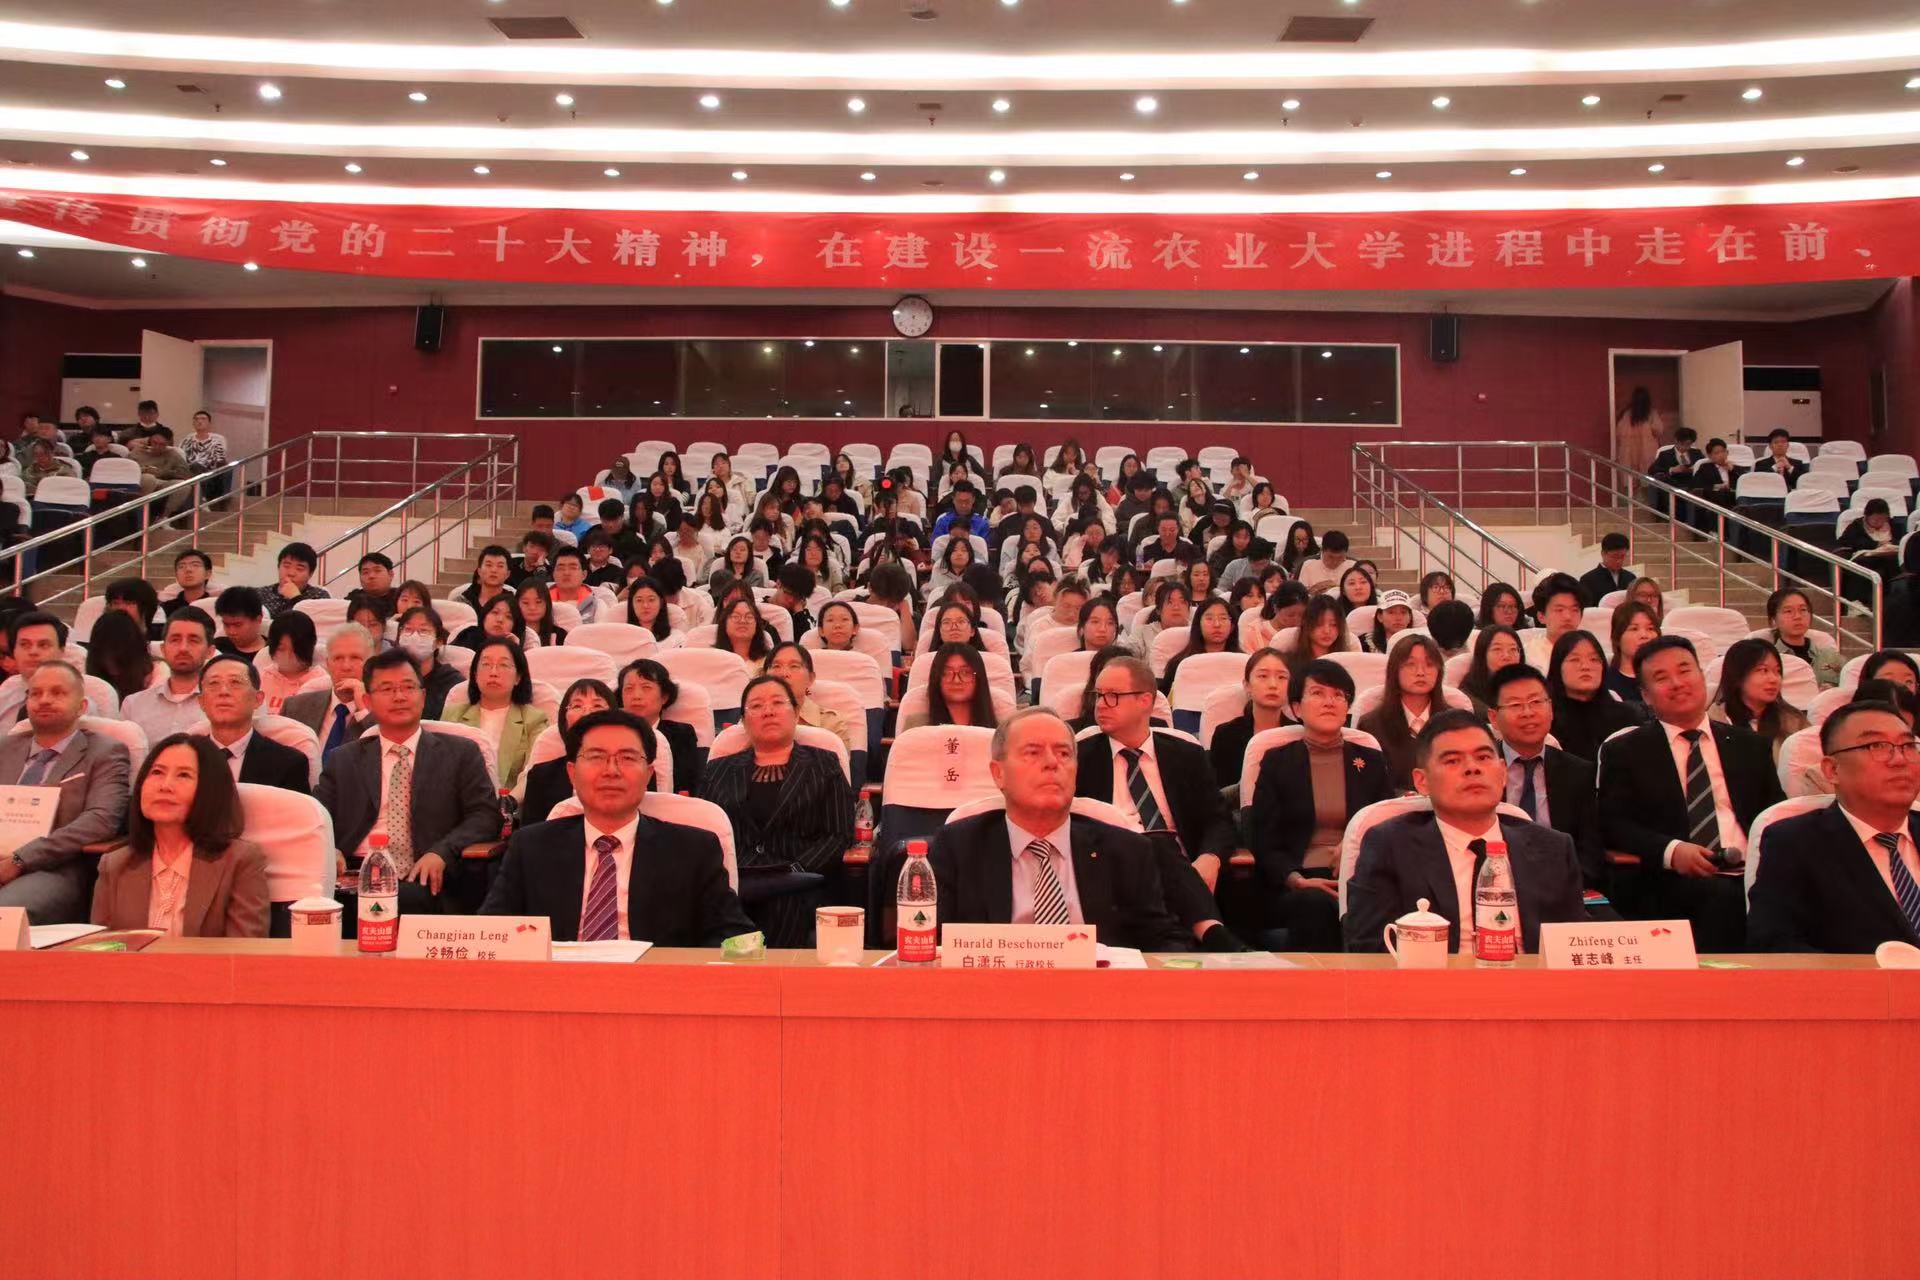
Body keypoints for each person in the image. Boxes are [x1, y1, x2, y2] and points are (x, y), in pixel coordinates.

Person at [925, 707, 1192, 952]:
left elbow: (1163, 942)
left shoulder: (1127, 851)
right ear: (998, 773)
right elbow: (928, 942)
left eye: (1064, 754)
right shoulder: (957, 848)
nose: (1052, 763)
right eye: (1033, 753)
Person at [481, 709, 755, 944]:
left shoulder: (694, 851)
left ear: (648, 774)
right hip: (558, 983)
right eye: (596, 757)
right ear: (572, 774)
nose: (611, 770)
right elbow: (492, 934)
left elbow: (733, 937)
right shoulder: (531, 848)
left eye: (627, 758)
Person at [1345, 711, 1590, 954]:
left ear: (1503, 772)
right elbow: (1368, 949)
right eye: (1453, 761)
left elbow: (1573, 948)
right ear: (1422, 782)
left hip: (1530, 978)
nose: (1472, 768)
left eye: (1483, 757)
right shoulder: (1389, 847)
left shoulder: (1553, 849)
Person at [1597, 636, 1784, 951]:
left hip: (1753, 873)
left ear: (1701, 675)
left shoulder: (1749, 745)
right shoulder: (1626, 751)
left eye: (1685, 671)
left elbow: (1774, 814)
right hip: (1675, 882)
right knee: (1717, 900)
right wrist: (1672, 851)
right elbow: (1614, 824)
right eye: (1661, 677)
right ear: (1646, 695)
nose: (1677, 683)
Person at [314, 649, 501, 917]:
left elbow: (485, 815)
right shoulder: (343, 759)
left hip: (424, 872)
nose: (399, 697)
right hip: (356, 873)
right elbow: (317, 818)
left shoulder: (460, 753)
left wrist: (443, 852)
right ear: (367, 701)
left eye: (408, 687)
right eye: (387, 689)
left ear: (423, 697)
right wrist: (330, 849)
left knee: (408, 900)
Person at [696, 675, 855, 948]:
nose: (768, 711)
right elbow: (705, 833)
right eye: (756, 706)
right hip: (736, 879)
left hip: (800, 881)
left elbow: (838, 833)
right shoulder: (718, 770)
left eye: (778, 703)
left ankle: (771, 972)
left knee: (784, 907)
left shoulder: (824, 764)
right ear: (744, 720)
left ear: (796, 713)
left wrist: (794, 870)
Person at [1750, 701, 1920, 953]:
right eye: (1877, 746)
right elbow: (1775, 946)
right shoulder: (1794, 843)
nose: (1899, 759)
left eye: (1908, 746)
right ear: (1832, 770)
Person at [1248, 660, 1392, 951]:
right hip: (1300, 880)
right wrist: (1296, 879)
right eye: (1318, 693)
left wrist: (1354, 843)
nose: (1330, 702)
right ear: (1297, 708)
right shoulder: (1277, 761)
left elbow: (1386, 824)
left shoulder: (1371, 760)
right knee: (1314, 904)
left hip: (1360, 873)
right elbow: (1263, 839)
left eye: (1338, 695)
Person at [90, 734, 267, 937]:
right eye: (157, 772)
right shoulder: (114, 864)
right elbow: (101, 948)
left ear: (210, 790)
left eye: (183, 775)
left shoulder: (240, 861)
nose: (165, 786)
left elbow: (244, 950)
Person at [0, 662, 132, 922]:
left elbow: (101, 820)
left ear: (81, 706)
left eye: (57, 693)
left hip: (55, 866)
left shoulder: (105, 752)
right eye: (36, 693)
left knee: (4, 914)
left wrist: (20, 859)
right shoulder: (4, 748)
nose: (44, 700)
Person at [1486, 664, 1607, 897]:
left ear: (1550, 709)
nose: (1528, 713)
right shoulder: (1482, 770)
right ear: (1493, 717)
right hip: (1495, 890)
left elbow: (1590, 853)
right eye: (1515, 705)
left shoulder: (1578, 772)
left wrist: (1563, 887)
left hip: (1563, 890)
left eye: (1536, 702)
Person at [441, 636, 548, 790]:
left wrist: (509, 800)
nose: (493, 672)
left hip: (510, 801)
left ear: (518, 677)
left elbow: (533, 774)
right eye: (486, 664)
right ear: (475, 675)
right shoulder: (452, 716)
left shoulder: (534, 720)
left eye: (503, 665)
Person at [196, 654, 310, 792]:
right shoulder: (184, 759)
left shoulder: (288, 763)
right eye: (214, 683)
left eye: (235, 682)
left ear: (258, 699)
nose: (223, 692)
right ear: (201, 702)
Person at [281, 622, 374, 759]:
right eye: (338, 658)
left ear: (370, 664)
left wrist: (364, 711)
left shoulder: (384, 712)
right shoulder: (295, 708)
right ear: (327, 664)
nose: (346, 666)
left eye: (355, 658)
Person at [1546, 630, 1641, 760]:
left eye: (1594, 659)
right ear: (1557, 667)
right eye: (1575, 659)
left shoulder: (1627, 718)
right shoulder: (1546, 720)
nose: (1586, 666)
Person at [121, 608, 214, 742]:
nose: (183, 648)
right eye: (175, 640)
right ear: (163, 649)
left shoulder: (223, 705)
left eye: (193, 640)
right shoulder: (134, 705)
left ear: (210, 651)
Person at [1709, 637, 1809, 759]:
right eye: (1763, 670)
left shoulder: (1793, 720)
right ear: (1738, 676)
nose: (1774, 679)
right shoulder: (1714, 721)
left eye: (1777, 671)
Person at [1209, 649, 1290, 790]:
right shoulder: (1226, 734)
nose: (1273, 684)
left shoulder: (1299, 734)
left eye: (1281, 677)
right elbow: (1220, 794)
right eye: (1263, 676)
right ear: (1247, 685)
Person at [762, 641, 853, 754]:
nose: (784, 674)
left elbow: (838, 764)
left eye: (794, 666)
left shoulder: (831, 724)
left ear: (810, 678)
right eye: (776, 666)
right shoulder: (752, 716)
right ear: (764, 677)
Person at [1765, 586, 1843, 689]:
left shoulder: (1830, 657)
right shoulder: (1770, 660)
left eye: (1803, 610)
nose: (1798, 616)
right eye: (1788, 611)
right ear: (1773, 620)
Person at [394, 607, 462, 719]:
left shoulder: (452, 683)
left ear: (438, 642)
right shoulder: (386, 674)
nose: (414, 636)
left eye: (423, 630)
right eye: (408, 629)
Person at [919, 642, 997, 729]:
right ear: (936, 678)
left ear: (979, 677)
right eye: (947, 673)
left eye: (965, 672)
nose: (956, 680)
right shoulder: (917, 725)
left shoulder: (1002, 728)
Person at [83, 610, 154, 704]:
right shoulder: (90, 683)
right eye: (104, 654)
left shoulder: (155, 675)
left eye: (117, 654)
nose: (110, 662)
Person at [257, 610, 319, 714]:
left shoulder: (321, 683)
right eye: (281, 649)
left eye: (295, 650)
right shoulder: (260, 679)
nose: (288, 656)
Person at [1521, 573, 1587, 669]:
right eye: (1559, 610)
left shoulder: (1590, 653)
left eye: (1574, 610)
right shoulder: (1527, 657)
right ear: (1541, 616)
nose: (1568, 617)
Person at [1604, 601, 1660, 702]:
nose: (1644, 635)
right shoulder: (1604, 683)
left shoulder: (1667, 680)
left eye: (1650, 628)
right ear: (1617, 638)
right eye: (1634, 629)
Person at [1459, 625, 1522, 711]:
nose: (1506, 656)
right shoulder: (1467, 699)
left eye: (1513, 649)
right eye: (1497, 649)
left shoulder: (1531, 685)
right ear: (1482, 654)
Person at [259, 543, 330, 620]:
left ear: (310, 574)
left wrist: (295, 598)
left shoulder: (319, 596)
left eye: (299, 569)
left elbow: (317, 623)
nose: (291, 573)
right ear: (278, 567)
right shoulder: (260, 594)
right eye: (286, 566)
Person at [1577, 532, 1636, 605]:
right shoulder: (1588, 580)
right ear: (1603, 553)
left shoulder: (1631, 578)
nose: (1619, 560)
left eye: (1622, 556)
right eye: (1615, 556)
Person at [1615, 384, 1661, 474]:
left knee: (1630, 478)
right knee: (1647, 477)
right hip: (1647, 454)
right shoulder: (1651, 414)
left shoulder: (1626, 414)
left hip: (1629, 454)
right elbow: (1659, 430)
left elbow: (1619, 433)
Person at [458, 545, 516, 613]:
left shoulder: (514, 604)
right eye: (489, 565)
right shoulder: (463, 601)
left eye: (500, 566)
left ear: (508, 574)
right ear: (479, 571)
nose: (494, 570)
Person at [161, 549, 216, 617]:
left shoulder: (216, 607)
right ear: (176, 575)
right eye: (181, 566)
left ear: (208, 574)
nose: (188, 569)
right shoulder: (164, 609)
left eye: (195, 565)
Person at [1296, 529, 1352, 594]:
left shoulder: (1352, 566)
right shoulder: (1308, 565)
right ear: (1322, 550)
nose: (1335, 562)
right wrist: (1314, 589)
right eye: (1330, 557)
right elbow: (1300, 595)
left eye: (1340, 558)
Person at [345, 553, 399, 618]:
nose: (371, 576)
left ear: (390, 574)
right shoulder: (353, 598)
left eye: (377, 571)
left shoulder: (401, 597)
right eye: (365, 572)